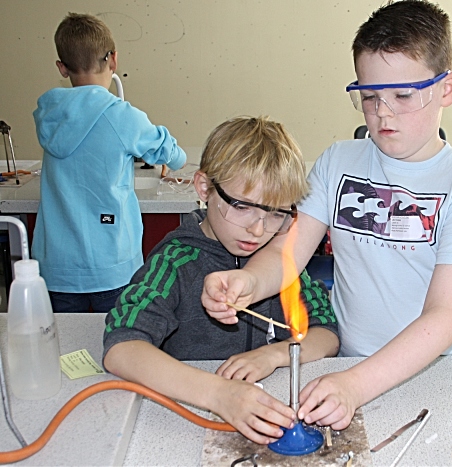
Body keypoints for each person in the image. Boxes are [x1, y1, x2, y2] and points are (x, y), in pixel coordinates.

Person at [202, 0, 452, 430]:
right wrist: (248, 281)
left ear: (446, 89)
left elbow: (445, 316)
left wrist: (357, 385)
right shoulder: (338, 161)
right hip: (351, 364)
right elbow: (289, 250)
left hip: (439, 373)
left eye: (402, 95)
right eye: (369, 96)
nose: (383, 113)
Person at [103, 116, 339, 443]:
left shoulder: (282, 258)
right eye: (242, 206)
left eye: (276, 213)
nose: (258, 230)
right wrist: (218, 395)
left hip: (267, 411)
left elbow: (326, 333)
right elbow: (121, 349)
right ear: (204, 188)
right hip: (189, 420)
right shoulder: (175, 262)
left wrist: (272, 356)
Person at [32, 13, 186, 312]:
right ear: (113, 60)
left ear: (62, 68)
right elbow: (175, 157)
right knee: (116, 348)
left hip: (56, 269)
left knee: (66, 352)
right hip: (111, 266)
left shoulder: (49, 112)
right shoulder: (123, 117)